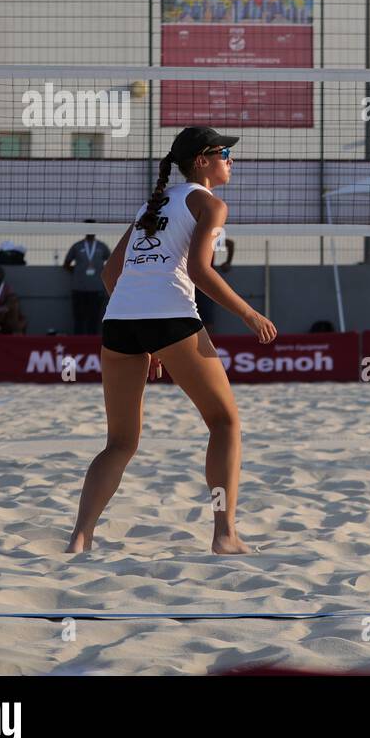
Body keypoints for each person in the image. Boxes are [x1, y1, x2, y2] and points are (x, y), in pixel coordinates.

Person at [67, 126, 277, 556]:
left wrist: (146, 340)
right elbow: (200, 272)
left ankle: (80, 537)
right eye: (223, 153)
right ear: (201, 160)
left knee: (119, 443)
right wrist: (249, 313)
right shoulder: (210, 204)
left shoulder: (152, 203)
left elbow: (111, 275)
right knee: (225, 424)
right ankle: (224, 534)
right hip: (171, 318)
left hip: (120, 321)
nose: (230, 160)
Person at [64, 226, 111, 335]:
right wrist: (77, 273)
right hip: (79, 289)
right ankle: (78, 343)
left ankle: (92, 343)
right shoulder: (77, 246)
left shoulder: (102, 246)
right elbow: (66, 264)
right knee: (79, 318)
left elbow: (110, 262)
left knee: (94, 318)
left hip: (96, 289)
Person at [196, 237, 235, 330]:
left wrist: (228, 263)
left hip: (205, 283)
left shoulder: (207, 237)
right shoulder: (187, 237)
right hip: (189, 281)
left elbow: (230, 243)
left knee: (207, 317)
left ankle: (209, 341)